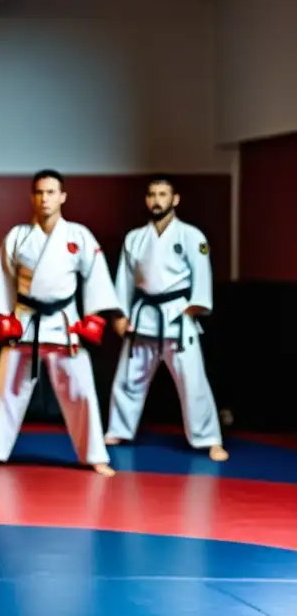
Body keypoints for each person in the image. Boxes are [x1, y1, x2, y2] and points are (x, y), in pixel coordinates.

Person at [0, 170, 119, 477]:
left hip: (65, 325)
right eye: (40, 192)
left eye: (51, 192)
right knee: (7, 391)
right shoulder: (17, 236)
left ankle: (95, 456)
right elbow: (4, 280)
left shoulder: (79, 236)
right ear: (32, 197)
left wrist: (93, 318)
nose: (45, 198)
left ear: (62, 196)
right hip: (26, 323)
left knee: (82, 392)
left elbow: (96, 276)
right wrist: (5, 318)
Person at [105, 175, 228, 461]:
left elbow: (202, 276)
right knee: (128, 378)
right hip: (144, 315)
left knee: (193, 382)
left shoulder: (192, 236)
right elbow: (124, 279)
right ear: (147, 200)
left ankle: (209, 439)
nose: (157, 200)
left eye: (163, 194)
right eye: (152, 194)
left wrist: (194, 307)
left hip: (177, 315)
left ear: (175, 200)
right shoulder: (134, 238)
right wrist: (120, 315)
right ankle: (119, 430)